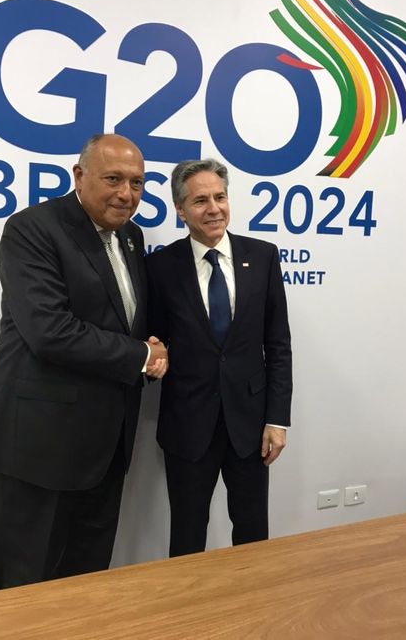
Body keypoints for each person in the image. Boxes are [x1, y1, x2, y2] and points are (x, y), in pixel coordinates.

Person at [0, 133, 167, 590]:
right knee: (23, 590)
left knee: (86, 588)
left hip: (105, 447)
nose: (126, 194)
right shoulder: (32, 228)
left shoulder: (131, 236)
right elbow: (50, 332)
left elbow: (120, 320)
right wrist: (141, 355)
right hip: (37, 445)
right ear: (79, 176)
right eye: (113, 179)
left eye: (137, 183)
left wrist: (149, 345)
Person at [146, 158, 292, 557]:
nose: (214, 209)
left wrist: (277, 420)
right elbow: (153, 340)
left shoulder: (262, 256)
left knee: (252, 530)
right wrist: (153, 361)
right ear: (180, 210)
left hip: (251, 425)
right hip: (187, 424)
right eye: (200, 201)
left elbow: (278, 344)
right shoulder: (159, 267)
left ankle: (253, 594)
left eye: (220, 197)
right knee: (187, 534)